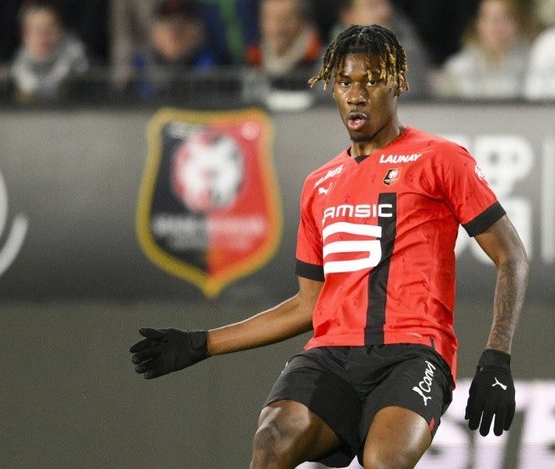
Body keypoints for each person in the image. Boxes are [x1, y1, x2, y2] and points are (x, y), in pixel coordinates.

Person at [130, 24, 529, 469]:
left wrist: (497, 356)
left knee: (384, 461)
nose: (356, 95)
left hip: (413, 354)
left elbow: (511, 256)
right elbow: (309, 305)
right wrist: (202, 343)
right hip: (331, 357)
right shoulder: (319, 184)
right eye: (344, 82)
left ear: (398, 83)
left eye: (371, 81)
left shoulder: (440, 159)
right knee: (272, 443)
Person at [434, 0, 534, 99]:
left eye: (505, 18)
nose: (496, 26)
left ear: (518, 23)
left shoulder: (533, 65)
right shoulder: (457, 69)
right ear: (478, 24)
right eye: (489, 18)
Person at [332, 0, 432, 98]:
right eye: (373, 6)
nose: (385, 12)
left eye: (386, 3)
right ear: (348, 16)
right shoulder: (331, 65)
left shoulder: (408, 53)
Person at [131, 0, 216, 100]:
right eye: (167, 22)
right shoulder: (137, 67)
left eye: (182, 22)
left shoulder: (209, 67)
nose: (174, 31)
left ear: (197, 31)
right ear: (153, 30)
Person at [9, 1, 89, 102]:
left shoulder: (83, 70)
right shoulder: (14, 72)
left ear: (62, 30)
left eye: (50, 29)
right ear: (25, 35)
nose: (43, 36)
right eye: (37, 30)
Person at [246, 0, 323, 90]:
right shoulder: (252, 61)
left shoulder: (322, 64)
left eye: (286, 19)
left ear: (302, 21)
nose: (277, 28)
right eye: (270, 19)